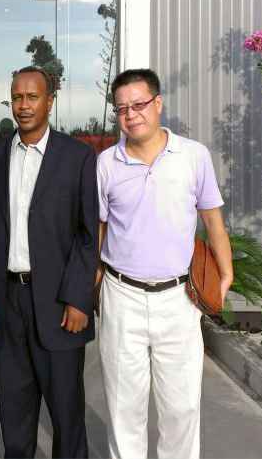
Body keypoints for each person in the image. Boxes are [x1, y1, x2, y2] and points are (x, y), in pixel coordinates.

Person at [96, 68, 234, 459]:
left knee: (181, 407)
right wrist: (97, 287)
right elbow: (100, 229)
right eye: (122, 108)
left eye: (138, 104)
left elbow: (213, 221)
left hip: (179, 298)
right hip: (122, 295)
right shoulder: (106, 164)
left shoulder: (193, 156)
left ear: (158, 103)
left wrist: (225, 276)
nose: (131, 114)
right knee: (124, 408)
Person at [0, 66, 98, 458]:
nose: (23, 106)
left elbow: (88, 234)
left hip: (60, 305)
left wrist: (78, 299)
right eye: (17, 98)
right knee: (15, 420)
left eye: (32, 97)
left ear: (50, 101)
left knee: (67, 419)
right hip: (8, 303)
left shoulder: (77, 157)